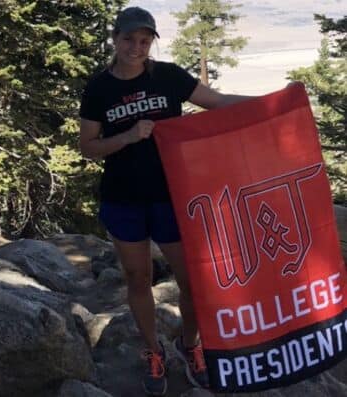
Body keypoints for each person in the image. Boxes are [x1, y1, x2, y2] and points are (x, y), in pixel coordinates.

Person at [79, 6, 255, 396]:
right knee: (137, 278)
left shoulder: (169, 77)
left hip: (172, 196)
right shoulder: (99, 88)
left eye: (144, 41)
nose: (136, 48)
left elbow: (219, 101)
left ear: (151, 42)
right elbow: (87, 147)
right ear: (115, 39)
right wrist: (126, 136)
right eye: (128, 39)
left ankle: (189, 345)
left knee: (191, 282)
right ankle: (154, 351)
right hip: (124, 199)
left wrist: (275, 102)